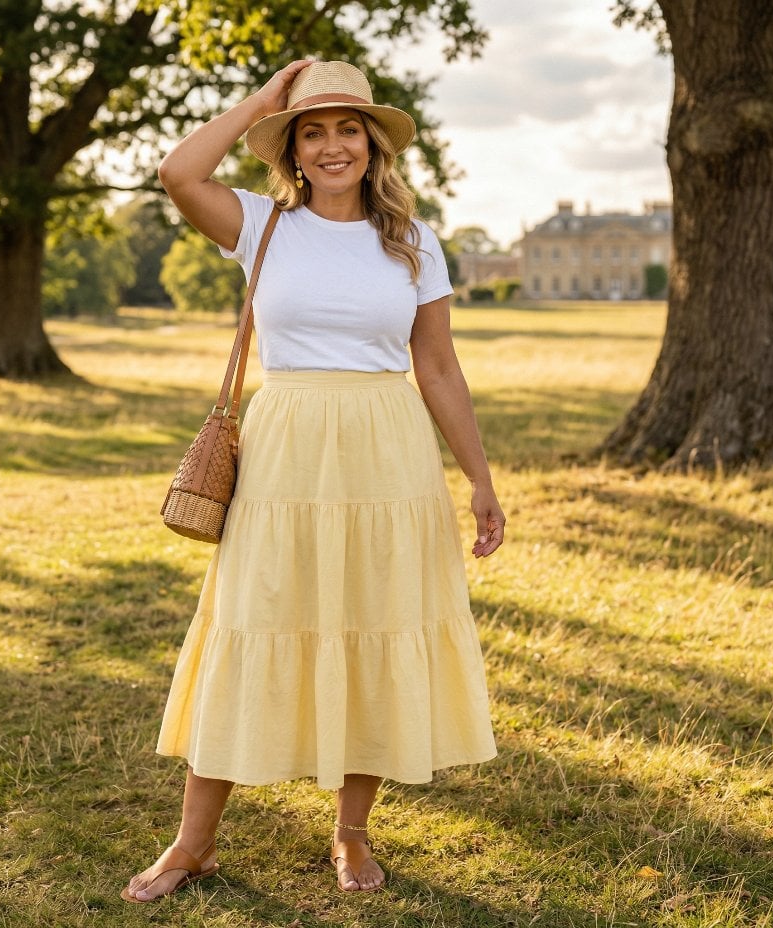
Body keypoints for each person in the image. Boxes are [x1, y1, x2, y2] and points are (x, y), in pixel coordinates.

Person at [123, 59, 505, 903]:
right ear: (292, 149)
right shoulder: (260, 224)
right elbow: (179, 172)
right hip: (285, 450)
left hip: (388, 454)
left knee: (372, 623)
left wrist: (480, 480)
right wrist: (261, 101)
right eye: (312, 130)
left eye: (347, 128)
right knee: (250, 624)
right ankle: (192, 844)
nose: (333, 145)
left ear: (373, 145)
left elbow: (438, 368)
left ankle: (350, 833)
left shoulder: (415, 242)